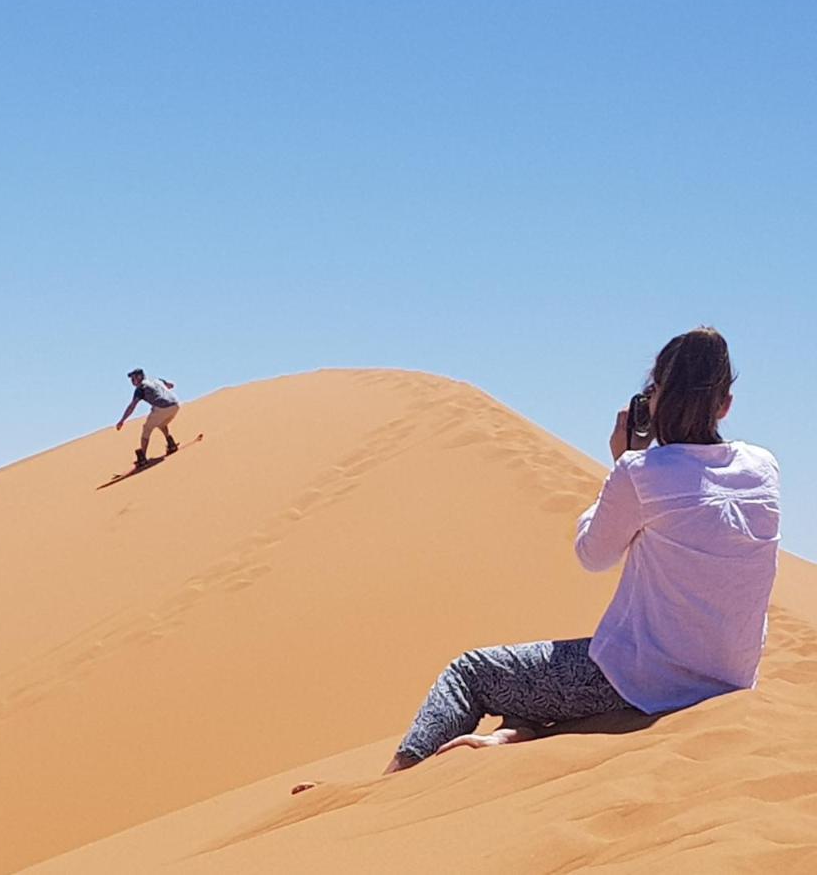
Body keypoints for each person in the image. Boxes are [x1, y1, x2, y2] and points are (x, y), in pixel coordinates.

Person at [296, 326, 780, 793]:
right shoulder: (764, 467)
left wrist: (620, 466)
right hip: (730, 680)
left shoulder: (641, 471)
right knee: (540, 683)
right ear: (725, 404)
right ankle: (515, 734)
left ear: (652, 401)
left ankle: (388, 786)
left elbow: (593, 554)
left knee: (473, 672)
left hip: (646, 680)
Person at [116, 368, 181, 468]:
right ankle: (170, 443)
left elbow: (132, 406)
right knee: (161, 423)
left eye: (133, 378)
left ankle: (143, 458)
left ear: (139, 377)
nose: (132, 381)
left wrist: (122, 420)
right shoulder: (156, 380)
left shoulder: (140, 388)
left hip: (163, 407)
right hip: (176, 404)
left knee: (146, 428)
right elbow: (171, 385)